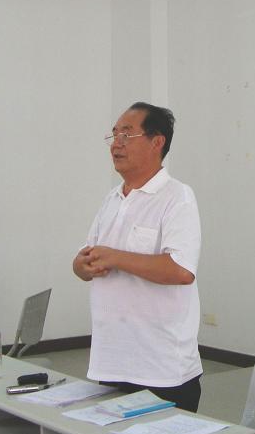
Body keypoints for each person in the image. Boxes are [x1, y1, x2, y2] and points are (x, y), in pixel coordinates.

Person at [72, 102, 203, 412]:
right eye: (114, 135)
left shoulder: (177, 197)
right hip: (112, 362)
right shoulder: (113, 198)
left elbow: (181, 270)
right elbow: (87, 258)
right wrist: (82, 266)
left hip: (162, 369)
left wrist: (114, 258)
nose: (116, 144)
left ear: (157, 142)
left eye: (127, 135)